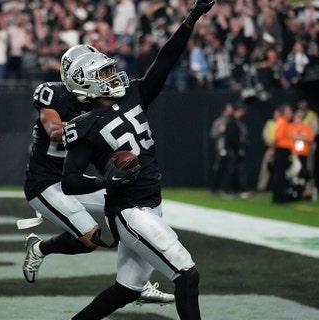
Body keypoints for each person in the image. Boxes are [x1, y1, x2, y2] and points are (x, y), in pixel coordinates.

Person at [60, 1, 214, 319]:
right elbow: (69, 180)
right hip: (130, 210)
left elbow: (165, 60)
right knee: (187, 274)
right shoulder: (84, 125)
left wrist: (191, 18)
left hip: (151, 203)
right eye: (102, 72)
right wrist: (103, 181)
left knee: (126, 290)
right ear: (84, 81)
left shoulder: (133, 94)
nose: (112, 74)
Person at [18, 44, 174, 305]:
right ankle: (39, 248)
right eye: (98, 74)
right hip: (46, 184)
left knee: (130, 207)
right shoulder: (52, 94)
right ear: (77, 76)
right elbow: (54, 130)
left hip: (74, 181)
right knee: (89, 239)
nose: (105, 78)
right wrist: (88, 126)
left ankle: (136, 283)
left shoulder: (99, 101)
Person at [224, 103, 251, 199]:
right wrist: (238, 147)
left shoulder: (240, 122)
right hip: (233, 151)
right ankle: (228, 191)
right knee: (231, 170)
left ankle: (243, 190)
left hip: (239, 150)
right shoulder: (231, 123)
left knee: (241, 170)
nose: (243, 113)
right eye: (241, 111)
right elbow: (231, 138)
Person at [288, 109, 315, 201]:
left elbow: (310, 140)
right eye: (297, 116)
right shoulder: (291, 126)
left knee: (304, 172)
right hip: (294, 154)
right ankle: (294, 190)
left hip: (304, 154)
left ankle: (305, 191)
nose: (298, 119)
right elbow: (290, 137)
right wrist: (299, 137)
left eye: (300, 117)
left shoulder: (306, 127)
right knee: (295, 171)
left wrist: (304, 138)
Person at [209, 103, 234, 196]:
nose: (230, 112)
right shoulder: (219, 122)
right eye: (228, 110)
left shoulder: (232, 121)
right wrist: (220, 131)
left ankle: (227, 189)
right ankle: (215, 188)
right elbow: (212, 134)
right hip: (222, 149)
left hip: (231, 148)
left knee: (229, 170)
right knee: (219, 169)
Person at [271, 104, 293, 203]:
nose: (291, 113)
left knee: (282, 174)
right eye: (289, 111)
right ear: (284, 112)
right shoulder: (282, 122)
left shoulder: (285, 122)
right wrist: (273, 150)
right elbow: (277, 138)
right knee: (280, 174)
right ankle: (278, 197)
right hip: (282, 150)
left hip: (284, 150)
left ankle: (280, 196)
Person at [256, 108, 279, 192]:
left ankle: (277, 187)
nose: (276, 115)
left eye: (278, 113)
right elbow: (265, 135)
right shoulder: (270, 123)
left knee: (280, 169)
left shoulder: (283, 123)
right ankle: (261, 187)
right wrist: (272, 144)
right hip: (270, 149)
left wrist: (276, 145)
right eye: (275, 113)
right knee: (265, 168)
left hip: (280, 149)